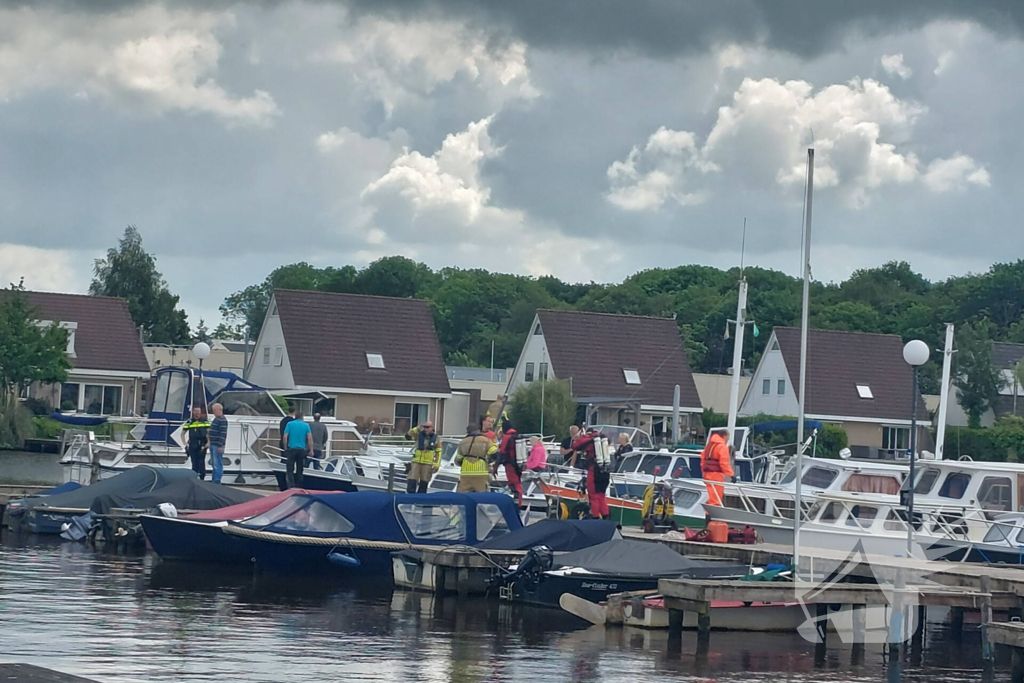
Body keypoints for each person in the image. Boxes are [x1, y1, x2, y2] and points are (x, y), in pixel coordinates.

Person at [572, 428, 611, 519]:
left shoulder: (588, 440)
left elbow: (575, 446)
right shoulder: (603, 439)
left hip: (594, 471)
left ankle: (596, 517)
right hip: (606, 471)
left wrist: (581, 437)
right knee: (602, 496)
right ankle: (606, 517)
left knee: (594, 496)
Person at [454, 424, 496, 493]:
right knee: (481, 497)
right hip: (481, 473)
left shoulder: (463, 442)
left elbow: (458, 459)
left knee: (463, 497)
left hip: (466, 473)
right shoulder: (486, 440)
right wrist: (489, 462)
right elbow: (494, 453)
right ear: (479, 431)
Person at [700, 431, 734, 506]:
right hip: (716, 476)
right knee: (716, 499)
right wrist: (731, 475)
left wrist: (703, 472)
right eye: (728, 437)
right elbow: (724, 463)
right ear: (724, 436)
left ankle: (707, 515)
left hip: (707, 475)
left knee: (710, 497)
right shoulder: (722, 447)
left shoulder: (709, 445)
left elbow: (703, 459)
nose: (728, 439)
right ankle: (712, 516)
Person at [406, 421, 441, 494]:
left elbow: (438, 452)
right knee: (411, 480)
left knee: (424, 482)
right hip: (416, 461)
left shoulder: (436, 439)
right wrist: (417, 428)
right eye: (424, 427)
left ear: (432, 428)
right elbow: (408, 436)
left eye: (428, 427)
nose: (426, 429)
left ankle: (420, 500)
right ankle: (409, 498)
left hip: (428, 464)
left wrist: (437, 465)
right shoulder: (418, 435)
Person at [495, 420, 523, 505]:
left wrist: (496, 466)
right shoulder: (517, 436)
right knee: (517, 483)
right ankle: (519, 502)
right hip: (518, 464)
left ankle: (517, 503)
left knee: (513, 483)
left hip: (510, 464)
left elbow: (502, 452)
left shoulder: (507, 437)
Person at [283, 412, 313, 488]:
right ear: (302, 418)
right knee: (300, 469)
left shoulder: (289, 424)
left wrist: (285, 447)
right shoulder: (306, 425)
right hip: (301, 450)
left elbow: (285, 437)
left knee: (290, 469)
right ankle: (298, 486)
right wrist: (311, 450)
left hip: (292, 449)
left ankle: (291, 486)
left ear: (295, 417)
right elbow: (310, 439)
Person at [182, 406, 210, 479]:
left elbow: (209, 433)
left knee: (201, 461)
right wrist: (185, 443)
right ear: (193, 412)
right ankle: (194, 476)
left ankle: (202, 477)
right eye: (196, 411)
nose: (197, 413)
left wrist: (208, 443)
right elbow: (182, 433)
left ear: (200, 412)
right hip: (193, 444)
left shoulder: (205, 421)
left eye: (199, 411)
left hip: (202, 444)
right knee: (194, 462)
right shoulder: (190, 422)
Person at [208, 403, 228, 484]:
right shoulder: (216, 419)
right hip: (213, 444)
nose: (213, 412)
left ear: (220, 410)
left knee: (217, 464)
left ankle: (216, 480)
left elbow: (223, 433)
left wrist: (220, 445)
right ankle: (214, 479)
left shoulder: (222, 420)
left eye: (214, 410)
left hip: (217, 445)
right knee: (214, 464)